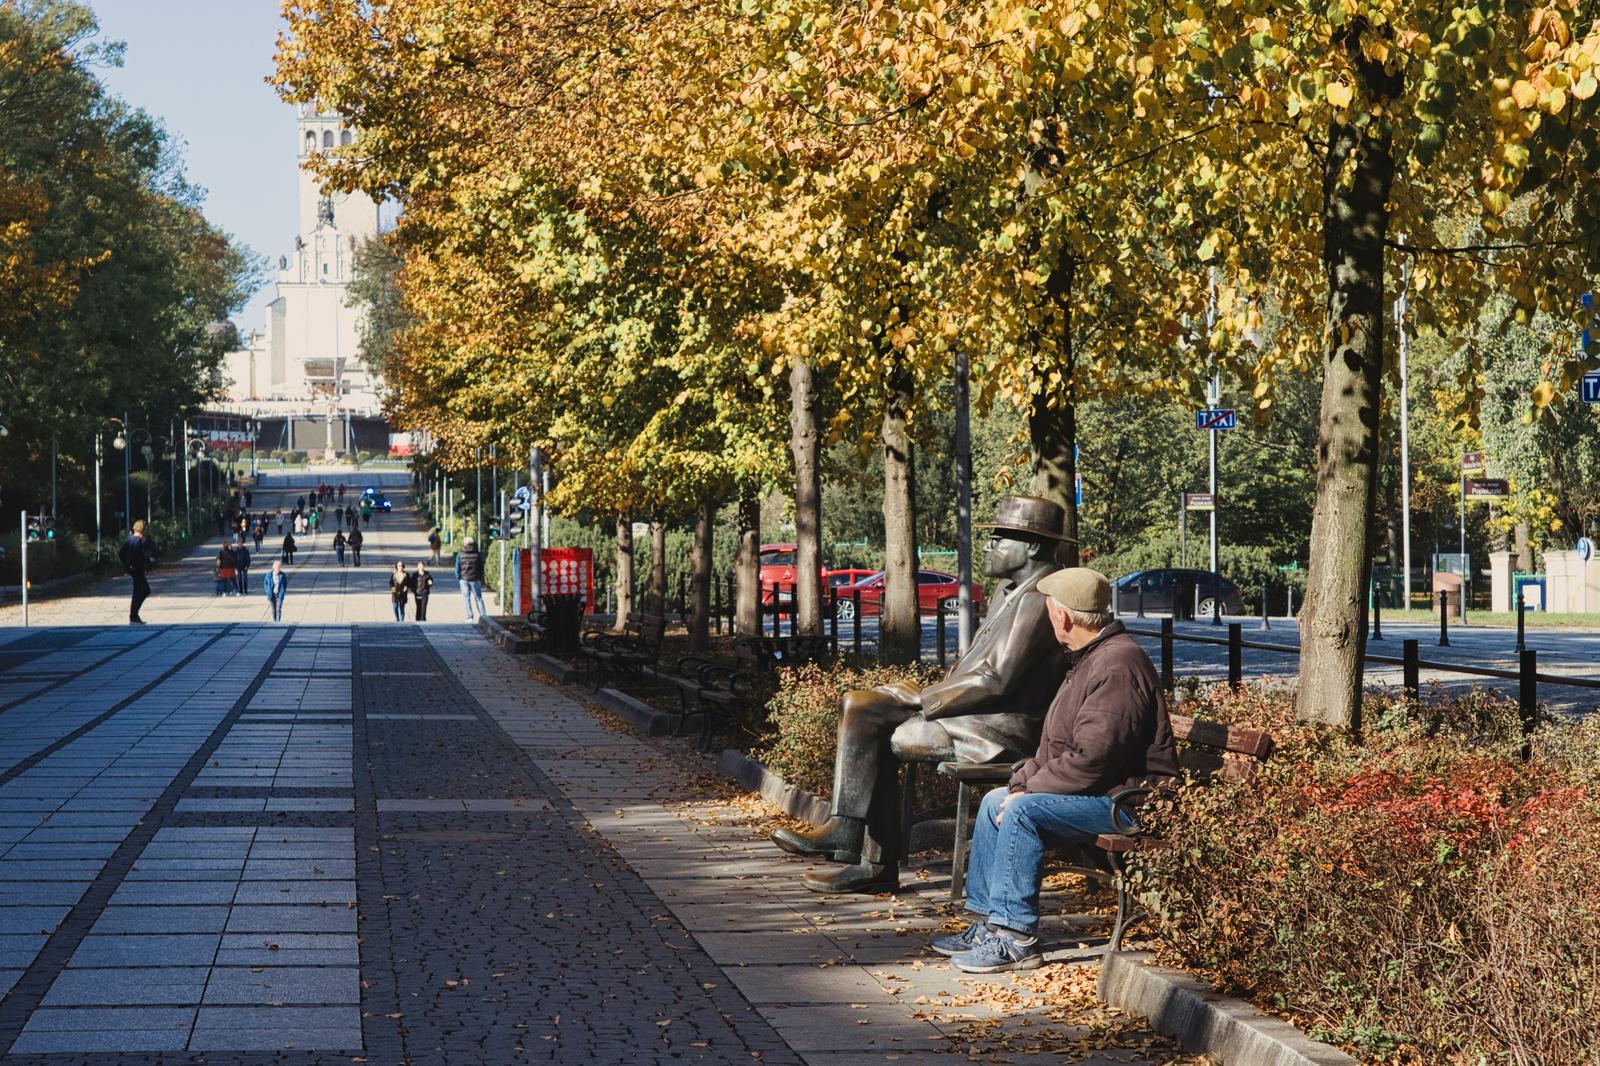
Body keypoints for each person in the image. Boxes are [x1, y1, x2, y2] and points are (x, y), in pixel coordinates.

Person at [771, 496, 1072, 894]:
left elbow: (996, 680)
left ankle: (868, 857)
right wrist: (924, 695)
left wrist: (923, 698)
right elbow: (975, 669)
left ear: (1032, 546)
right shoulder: (1008, 591)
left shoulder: (1038, 597)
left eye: (999, 538)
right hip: (972, 714)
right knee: (859, 705)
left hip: (999, 729)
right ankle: (851, 839)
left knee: (879, 726)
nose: (989, 545)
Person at [931, 568, 1178, 973]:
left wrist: (1028, 792)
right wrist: (1023, 780)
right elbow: (1061, 748)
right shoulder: (1090, 659)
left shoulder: (1116, 665)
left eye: (1047, 612)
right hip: (1101, 792)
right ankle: (988, 924)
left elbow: (1093, 760)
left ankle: (1016, 938)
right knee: (998, 799)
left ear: (1063, 617)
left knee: (1022, 811)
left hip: (1129, 802)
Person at [118, 520, 158, 624]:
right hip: (138, 569)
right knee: (143, 591)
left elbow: (121, 553)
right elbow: (141, 556)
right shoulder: (139, 541)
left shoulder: (129, 540)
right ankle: (133, 616)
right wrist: (149, 562)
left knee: (140, 591)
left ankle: (134, 616)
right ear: (143, 529)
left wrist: (125, 564)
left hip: (131, 569)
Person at [455, 538, 486, 621]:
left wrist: (459, 578)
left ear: (464, 544)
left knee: (466, 599)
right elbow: (481, 567)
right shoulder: (477, 554)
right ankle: (484, 617)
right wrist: (480, 577)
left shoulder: (460, 554)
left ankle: (470, 617)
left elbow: (457, 568)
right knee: (478, 598)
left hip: (464, 579)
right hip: (475, 579)